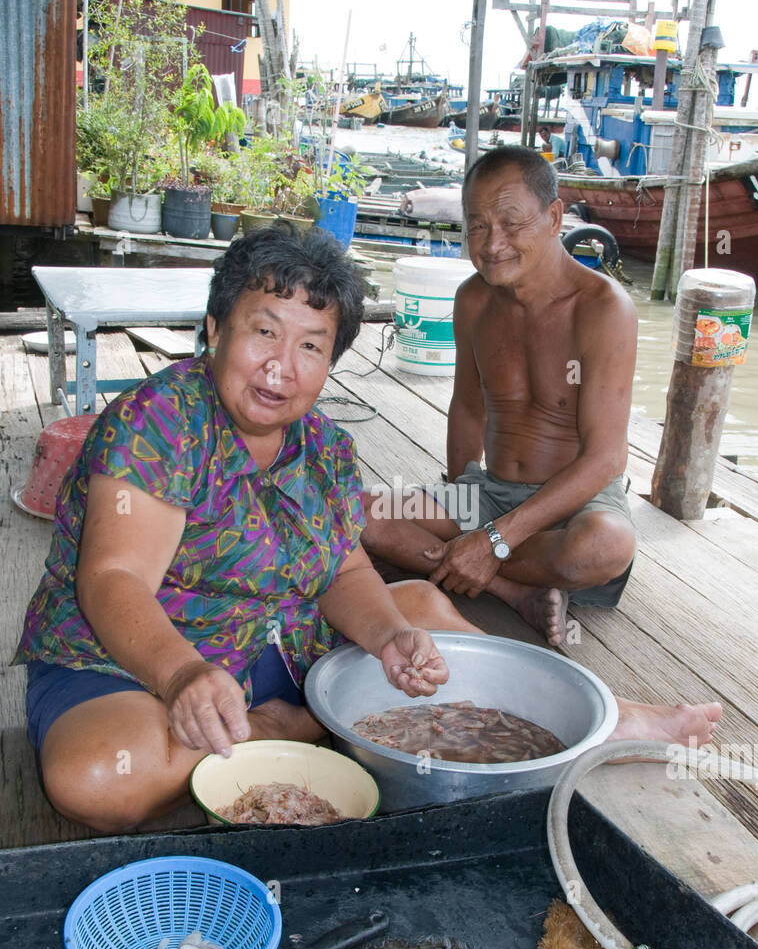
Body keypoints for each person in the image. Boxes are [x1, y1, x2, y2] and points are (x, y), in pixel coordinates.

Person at [14, 226, 469, 834]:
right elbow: (114, 578)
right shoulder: (159, 422)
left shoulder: (327, 447)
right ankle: (311, 719)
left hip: (272, 644)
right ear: (216, 328)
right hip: (123, 660)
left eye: (311, 347)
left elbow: (345, 571)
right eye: (264, 332)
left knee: (422, 622)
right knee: (100, 777)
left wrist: (387, 636)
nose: (281, 368)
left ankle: (290, 720)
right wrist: (181, 674)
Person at [362, 146, 722, 747]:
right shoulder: (473, 298)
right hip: (490, 490)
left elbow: (607, 459)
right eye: (476, 224)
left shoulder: (604, 308)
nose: (491, 241)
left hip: (575, 500)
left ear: (555, 217)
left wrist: (493, 540)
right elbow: (469, 408)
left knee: (605, 546)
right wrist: (460, 502)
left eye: (511, 222)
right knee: (363, 512)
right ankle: (515, 591)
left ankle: (492, 568)